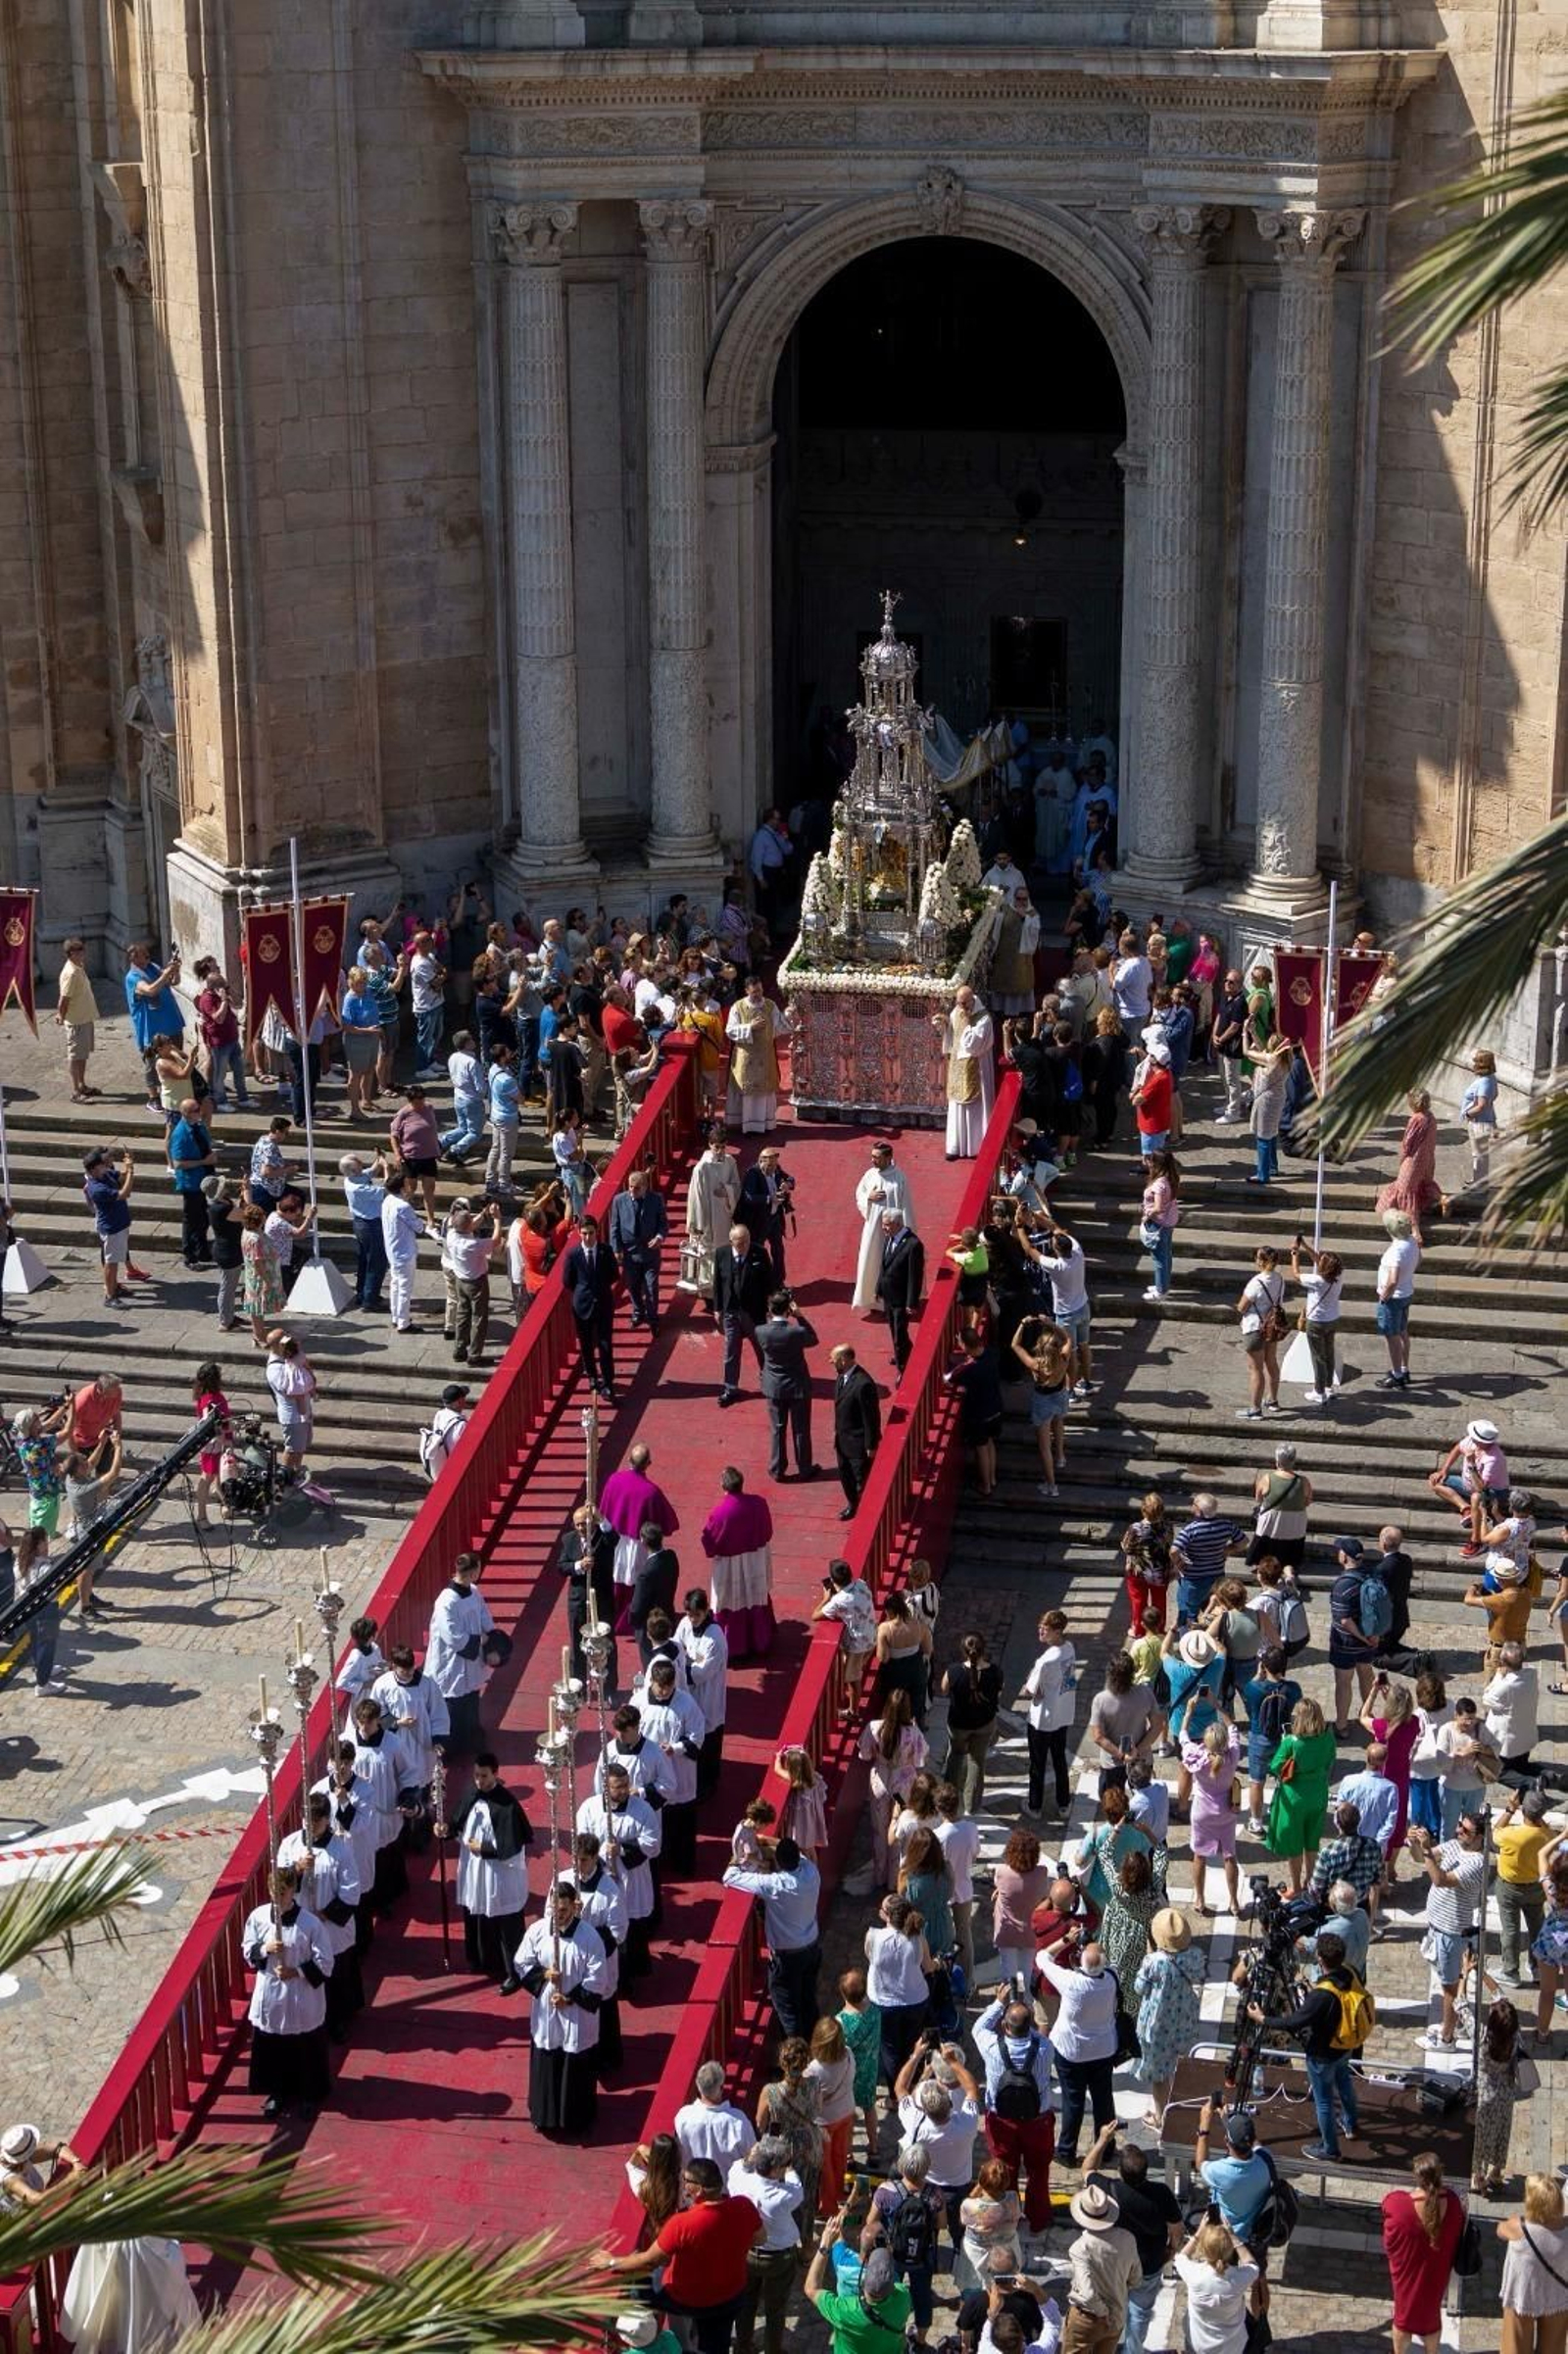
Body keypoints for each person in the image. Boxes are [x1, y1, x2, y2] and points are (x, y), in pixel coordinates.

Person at [1249, 1926, 1370, 2160]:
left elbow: (1294, 2021)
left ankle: (1330, 2149)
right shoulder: (1351, 1972)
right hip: (1346, 2045)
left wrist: (1262, 2018)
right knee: (1344, 2083)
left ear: (1321, 1958)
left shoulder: (1322, 1995)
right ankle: (1351, 2124)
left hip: (1323, 2054)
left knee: (1323, 2102)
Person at [241, 1863, 334, 2122]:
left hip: (300, 1996)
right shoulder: (259, 1917)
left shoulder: (310, 1923)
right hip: (271, 1994)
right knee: (274, 2047)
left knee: (305, 2047)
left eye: (282, 1892)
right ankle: (277, 2092)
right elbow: (247, 1948)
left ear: (293, 1890)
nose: (277, 1897)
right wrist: (264, 1949)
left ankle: (309, 2094)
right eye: (273, 1891)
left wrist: (297, 1972)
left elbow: (326, 1961)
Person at [515, 1880, 609, 2135]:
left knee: (574, 2064)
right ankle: (544, 2115)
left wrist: (569, 1998)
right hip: (547, 2010)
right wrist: (545, 1974)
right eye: (555, 1910)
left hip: (576, 2014)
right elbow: (522, 1962)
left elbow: (597, 1978)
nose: (559, 1915)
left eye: (565, 1910)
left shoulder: (590, 1938)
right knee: (547, 2058)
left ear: (574, 1908)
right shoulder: (537, 1931)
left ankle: (575, 2119)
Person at [1081, 2121, 1183, 2354]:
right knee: (1140, 2314)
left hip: (1116, 2264)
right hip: (1149, 2264)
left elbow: (1087, 2170)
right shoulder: (1161, 2194)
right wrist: (1170, 2251)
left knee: (1110, 2306)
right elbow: (1176, 2230)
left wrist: (1103, 2139)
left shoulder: (1108, 2188)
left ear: (1120, 2172)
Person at [442, 1749, 532, 1990]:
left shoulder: (507, 1805)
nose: (478, 1781)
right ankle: (482, 1961)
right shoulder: (472, 1794)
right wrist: (447, 1830)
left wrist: (484, 1849)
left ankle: (514, 1972)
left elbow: (513, 1846)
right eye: (476, 1776)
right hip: (475, 1872)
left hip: (499, 1875)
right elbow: (458, 1822)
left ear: (496, 1774)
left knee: (506, 1926)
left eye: (483, 1776)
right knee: (477, 1916)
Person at [1408, 1814, 1487, 2051]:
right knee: (1447, 1981)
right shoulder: (1454, 1845)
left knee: (1449, 1987)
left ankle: (1447, 2038)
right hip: (1437, 1926)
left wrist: (1428, 1851)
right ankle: (1452, 2024)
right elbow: (1420, 1858)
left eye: (1466, 1830)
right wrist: (1415, 1843)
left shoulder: (1477, 1863)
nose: (1459, 1831)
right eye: (1460, 1826)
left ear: (1479, 1837)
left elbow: (1440, 1879)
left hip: (1451, 1931)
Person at [1037, 1942, 1118, 2168]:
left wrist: (1065, 1940)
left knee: (1073, 2102)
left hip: (1072, 2051)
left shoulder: (1072, 1982)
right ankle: (1107, 2149)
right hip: (1103, 2049)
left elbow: (1042, 1958)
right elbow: (1104, 1966)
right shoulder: (1111, 1978)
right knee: (1104, 2100)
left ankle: (1066, 2151)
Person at [1132, 1908, 1203, 2135]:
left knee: (1158, 2073)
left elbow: (1139, 1988)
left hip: (1158, 2023)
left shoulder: (1153, 1962)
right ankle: (1177, 2107)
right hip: (1183, 2018)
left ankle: (1161, 2116)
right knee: (1178, 2066)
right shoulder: (1194, 1955)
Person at [1059, 2176, 1141, 2354]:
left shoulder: (1080, 2248)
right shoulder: (1128, 2238)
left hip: (1088, 2319)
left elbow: (1088, 2294)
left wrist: (1103, 2312)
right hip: (1118, 2315)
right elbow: (1136, 2279)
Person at [425, 1549, 496, 1755]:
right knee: (452, 1708)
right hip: (452, 1664)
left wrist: (492, 1635)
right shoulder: (446, 1601)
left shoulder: (473, 1591)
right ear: (473, 1572)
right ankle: (451, 1748)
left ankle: (471, 1739)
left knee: (471, 1701)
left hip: (470, 1662)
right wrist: (479, 1640)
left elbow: (484, 1615)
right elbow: (452, 1636)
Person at [1264, 1695, 1337, 1896]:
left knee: (1294, 1844)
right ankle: (1311, 1880)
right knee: (1312, 1840)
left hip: (1294, 1797)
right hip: (1318, 1793)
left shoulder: (1291, 1743)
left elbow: (1275, 1766)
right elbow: (1330, 1760)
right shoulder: (1328, 1738)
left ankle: (1295, 1886)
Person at [807, 2233, 911, 2354]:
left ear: (863, 2280)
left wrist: (824, 2246)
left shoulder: (843, 2311)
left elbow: (811, 2289)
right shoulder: (903, 2297)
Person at [1498, 2175, 1568, 2354]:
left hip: (1523, 2294)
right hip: (1558, 2295)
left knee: (1515, 2346)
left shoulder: (1518, 2227)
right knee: (1553, 2349)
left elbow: (1500, 2230)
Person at [1020, 1608, 1078, 1819]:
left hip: (1042, 1719)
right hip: (1062, 1713)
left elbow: (1029, 1689)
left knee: (1038, 1763)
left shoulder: (1045, 1661)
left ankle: (1035, 1805)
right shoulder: (1069, 1649)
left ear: (1056, 1631)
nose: (1040, 1631)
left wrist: (1032, 1684)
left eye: (1044, 1628)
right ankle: (1063, 1803)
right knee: (1059, 1759)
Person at [756, 1290, 817, 1481]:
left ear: (769, 1309)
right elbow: (813, 1339)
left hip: (774, 1386)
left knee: (777, 1429)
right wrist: (800, 1316)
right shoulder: (796, 1331)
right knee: (801, 1429)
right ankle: (805, 1468)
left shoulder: (761, 1331)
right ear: (788, 1310)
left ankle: (777, 1468)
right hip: (798, 1385)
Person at [1494, 1786, 1552, 1985]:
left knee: (1510, 1930)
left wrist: (1510, 1810)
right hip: (1535, 1888)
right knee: (1537, 1927)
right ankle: (1536, 1967)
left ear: (1523, 1810)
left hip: (1510, 1887)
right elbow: (1546, 1830)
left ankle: (1511, 1971)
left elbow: (1495, 1832)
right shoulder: (1547, 1835)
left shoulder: (1511, 1834)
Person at [1173, 2219, 1258, 2354]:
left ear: (1203, 2250)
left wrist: (1199, 2233)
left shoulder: (1195, 2275)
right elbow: (1253, 2266)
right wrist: (1234, 2237)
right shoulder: (1238, 2279)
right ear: (1230, 2250)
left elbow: (1180, 2258)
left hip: (1197, 2344)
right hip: (1232, 2346)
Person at [1329, 1537, 1386, 1733]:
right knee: (1366, 1675)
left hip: (1346, 1642)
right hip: (1370, 1639)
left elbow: (1344, 1619)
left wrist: (1362, 1638)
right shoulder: (1373, 1576)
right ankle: (1366, 1716)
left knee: (1344, 1682)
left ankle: (1342, 1725)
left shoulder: (1342, 1585)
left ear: (1344, 1556)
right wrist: (1373, 1637)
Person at [1193, 2101, 1271, 2244]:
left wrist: (1204, 2125)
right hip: (1253, 2233)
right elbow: (1256, 2145)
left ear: (1226, 2141)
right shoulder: (1266, 2160)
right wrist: (1228, 2124)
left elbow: (1200, 2164)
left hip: (1223, 2235)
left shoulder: (1220, 2171)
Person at [561, 1212, 619, 1404]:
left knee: (605, 1345)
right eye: (584, 1233)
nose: (588, 1237)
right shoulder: (573, 1254)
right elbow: (568, 1280)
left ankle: (608, 1382)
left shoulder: (605, 1251)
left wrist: (599, 1289)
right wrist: (583, 1292)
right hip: (582, 1305)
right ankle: (592, 1376)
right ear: (579, 1233)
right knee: (586, 1345)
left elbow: (613, 1275)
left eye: (591, 1233)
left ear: (597, 1232)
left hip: (603, 1303)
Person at [853, 1143, 915, 1312]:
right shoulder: (870, 1174)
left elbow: (906, 1206)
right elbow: (859, 1193)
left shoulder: (899, 1178)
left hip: (893, 1231)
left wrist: (906, 1231)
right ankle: (871, 1299)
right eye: (872, 1156)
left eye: (877, 1157)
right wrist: (868, 1197)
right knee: (871, 1259)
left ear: (888, 1158)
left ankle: (891, 1300)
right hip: (873, 1229)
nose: (873, 1160)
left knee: (892, 1264)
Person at [608, 1166, 668, 1333]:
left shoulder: (656, 1200)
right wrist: (616, 1249)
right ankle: (638, 1311)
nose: (632, 1190)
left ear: (645, 1187)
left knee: (650, 1286)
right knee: (633, 1286)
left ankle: (652, 1316)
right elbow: (614, 1227)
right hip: (629, 1253)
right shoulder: (619, 1200)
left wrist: (659, 1238)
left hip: (650, 1252)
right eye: (630, 1187)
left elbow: (663, 1224)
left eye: (637, 1187)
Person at [828, 1342, 882, 1522]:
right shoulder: (841, 1377)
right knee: (845, 1476)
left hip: (858, 1444)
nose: (831, 1362)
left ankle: (867, 1511)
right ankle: (852, 1504)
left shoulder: (863, 1384)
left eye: (834, 1359)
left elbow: (871, 1417)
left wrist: (871, 1445)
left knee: (862, 1481)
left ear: (844, 1360)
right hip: (842, 1440)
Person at [82, 1145, 139, 1309]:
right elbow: (124, 1193)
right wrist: (131, 1171)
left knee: (115, 1259)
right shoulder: (97, 1188)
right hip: (111, 1227)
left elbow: (121, 1177)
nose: (107, 1166)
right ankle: (110, 1295)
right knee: (111, 1262)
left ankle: (114, 1287)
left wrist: (128, 1166)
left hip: (120, 1223)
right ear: (93, 1169)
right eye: (103, 1164)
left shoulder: (105, 1175)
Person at [676, 2062, 759, 2175]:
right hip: (729, 2189)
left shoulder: (683, 2116)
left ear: (698, 2085)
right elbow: (753, 2157)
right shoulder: (738, 2121)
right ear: (721, 2087)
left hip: (693, 2187)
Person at [726, 977, 785, 1134]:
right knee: (748, 1093)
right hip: (746, 1058)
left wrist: (790, 1016)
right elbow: (730, 1031)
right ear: (747, 991)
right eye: (754, 991)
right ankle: (747, 1126)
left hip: (765, 1056)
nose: (758, 994)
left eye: (760, 990)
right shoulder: (738, 1007)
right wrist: (750, 1027)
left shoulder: (770, 1005)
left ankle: (765, 1124)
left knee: (764, 1092)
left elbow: (780, 1026)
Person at [1235, 1245, 1286, 1421]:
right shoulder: (1279, 1278)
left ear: (1262, 1261)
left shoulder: (1256, 1282)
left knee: (1255, 1369)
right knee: (1271, 1363)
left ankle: (1255, 1409)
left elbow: (1242, 1307)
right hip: (1272, 1326)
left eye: (1257, 1257)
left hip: (1255, 1328)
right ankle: (1272, 1400)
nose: (1255, 1260)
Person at [875, 1208, 926, 1377]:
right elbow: (884, 1266)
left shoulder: (913, 1245)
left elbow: (915, 1275)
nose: (883, 1228)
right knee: (894, 1330)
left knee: (899, 1334)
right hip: (889, 1296)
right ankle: (904, 1354)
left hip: (902, 1299)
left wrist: (912, 1302)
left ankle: (903, 1370)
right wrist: (878, 1289)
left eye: (887, 1225)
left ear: (898, 1224)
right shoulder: (889, 1239)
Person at [379, 1168, 429, 1335]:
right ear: (401, 1187)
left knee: (395, 1284)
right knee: (404, 1288)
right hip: (404, 1252)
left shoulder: (388, 1200)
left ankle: (396, 1316)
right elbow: (418, 1227)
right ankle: (403, 1322)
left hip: (393, 1250)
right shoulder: (403, 1206)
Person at [1376, 1207, 1421, 1390]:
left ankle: (1397, 1375)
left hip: (1393, 1298)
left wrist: (1384, 1297)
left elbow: (1392, 1280)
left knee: (1392, 1336)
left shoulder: (1395, 1251)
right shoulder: (1412, 1242)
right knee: (1403, 1331)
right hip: (1406, 1292)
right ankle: (1404, 1368)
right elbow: (1419, 1260)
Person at [265, 1331, 317, 1477]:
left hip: (303, 1412)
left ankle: (296, 1471)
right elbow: (290, 1390)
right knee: (292, 1448)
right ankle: (282, 1478)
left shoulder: (290, 1357)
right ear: (277, 1345)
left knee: (300, 1447)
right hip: (292, 1417)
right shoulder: (274, 1368)